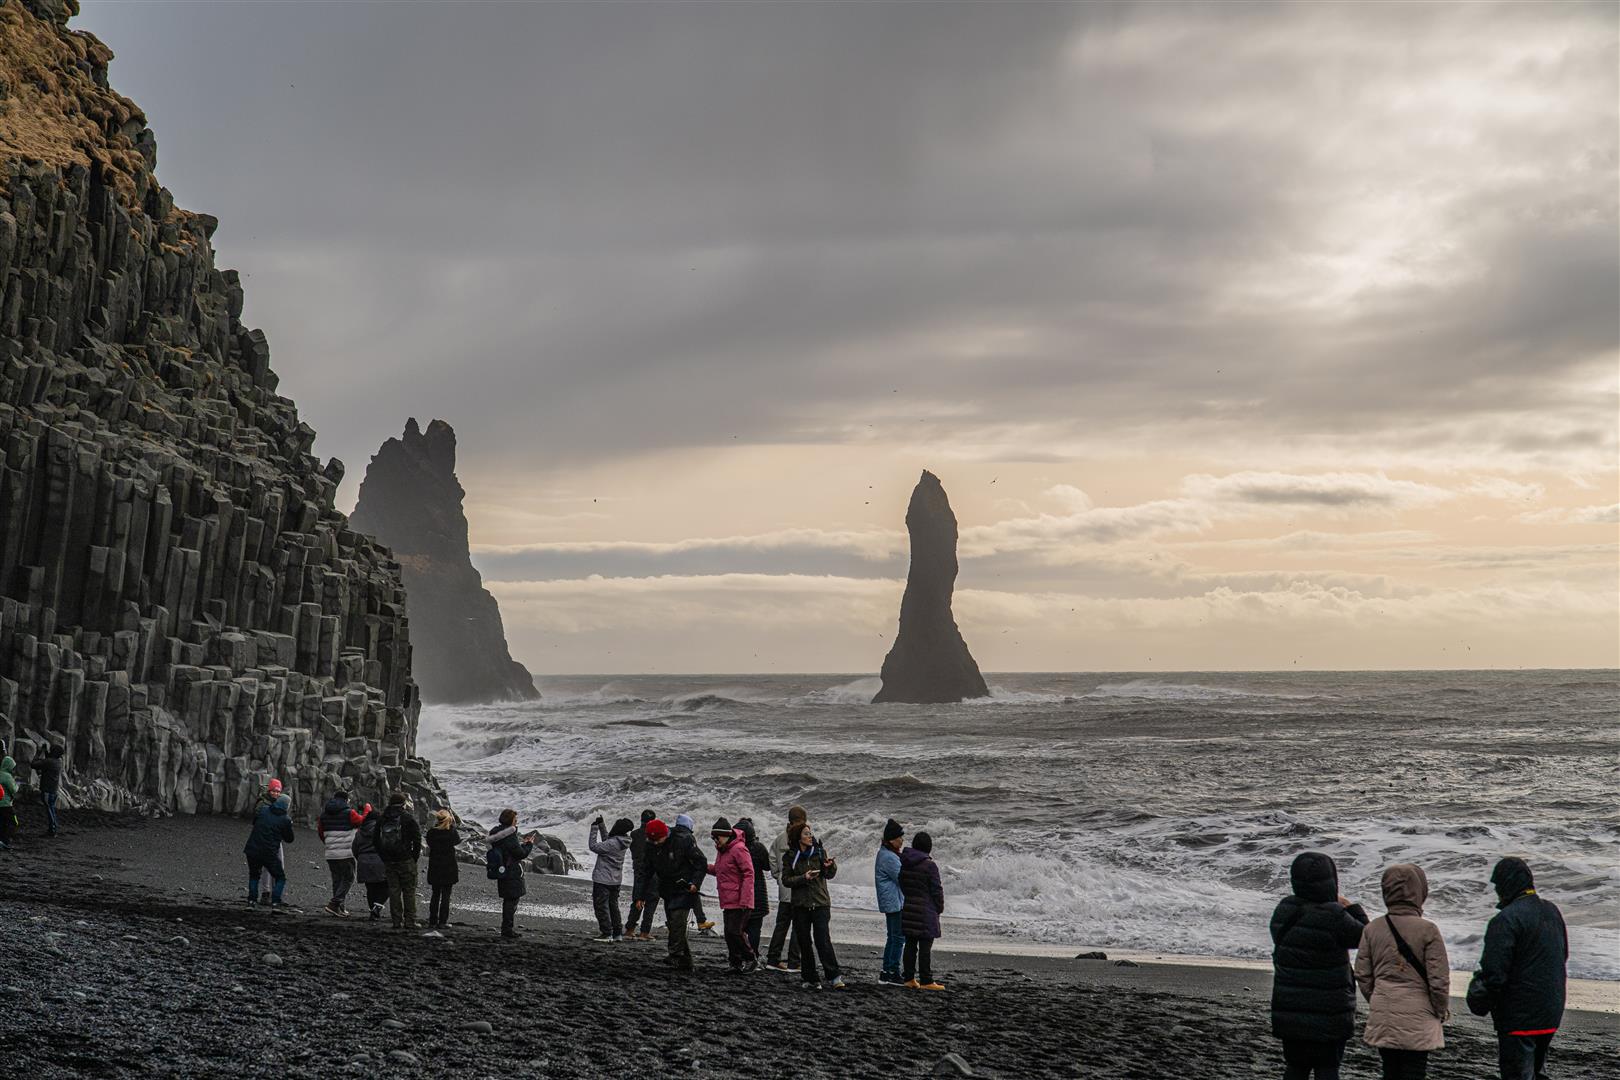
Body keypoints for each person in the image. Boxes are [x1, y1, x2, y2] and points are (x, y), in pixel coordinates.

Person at [1270, 852, 1370, 1080]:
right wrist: (1350, 906)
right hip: (1329, 1012)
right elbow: (1366, 937)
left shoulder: (1284, 909)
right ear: (1331, 880)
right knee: (1327, 1068)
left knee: (1296, 1067)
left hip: (1290, 1010)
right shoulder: (1334, 915)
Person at [1466, 857, 1568, 1080]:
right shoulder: (1552, 911)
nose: (1496, 892)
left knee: (1517, 1073)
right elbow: (1563, 956)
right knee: (1537, 1071)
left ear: (1506, 885)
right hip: (1551, 1011)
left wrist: (1477, 999)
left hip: (1519, 1017)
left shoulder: (1505, 920)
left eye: (1498, 886)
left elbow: (1494, 974)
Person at [1354, 864, 1451, 1080]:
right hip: (1419, 1013)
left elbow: (1362, 974)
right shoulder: (1428, 930)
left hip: (1384, 1009)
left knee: (1390, 1069)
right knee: (1415, 1071)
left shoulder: (1372, 928)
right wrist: (1440, 1009)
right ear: (1420, 891)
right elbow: (1439, 980)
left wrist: (1378, 999)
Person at [781, 821, 843, 990]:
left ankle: (834, 977)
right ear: (797, 838)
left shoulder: (819, 852)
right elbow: (786, 880)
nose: (810, 836)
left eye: (810, 833)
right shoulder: (789, 856)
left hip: (821, 902)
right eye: (806, 834)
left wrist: (831, 866)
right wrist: (803, 877)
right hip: (800, 904)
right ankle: (811, 979)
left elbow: (829, 875)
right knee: (804, 941)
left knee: (823, 940)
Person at [649, 816, 706, 972]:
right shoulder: (654, 843)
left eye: (657, 840)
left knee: (677, 922)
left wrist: (695, 883)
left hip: (684, 888)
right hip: (668, 889)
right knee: (675, 925)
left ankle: (675, 954)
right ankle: (686, 963)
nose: (655, 844)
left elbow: (701, 862)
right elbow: (647, 868)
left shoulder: (683, 840)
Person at [708, 817, 757, 973]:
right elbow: (719, 870)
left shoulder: (739, 849)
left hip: (740, 900)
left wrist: (745, 899)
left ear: (727, 835)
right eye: (714, 838)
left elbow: (749, 873)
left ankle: (751, 959)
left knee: (735, 932)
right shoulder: (722, 851)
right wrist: (703, 866)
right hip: (727, 899)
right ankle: (735, 964)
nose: (716, 841)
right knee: (729, 933)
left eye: (718, 838)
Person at [898, 829, 945, 990]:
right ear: (928, 848)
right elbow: (937, 890)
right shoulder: (930, 866)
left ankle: (909, 978)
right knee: (925, 946)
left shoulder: (905, 862)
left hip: (909, 906)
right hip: (926, 910)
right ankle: (926, 980)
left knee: (910, 945)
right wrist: (939, 908)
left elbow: (902, 883)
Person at [765, 805, 807, 972]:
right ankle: (793, 962)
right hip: (799, 888)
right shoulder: (802, 838)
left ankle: (773, 959)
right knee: (799, 926)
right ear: (801, 820)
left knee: (781, 924)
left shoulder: (780, 838)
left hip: (784, 887)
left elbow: (772, 858)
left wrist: (778, 876)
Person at [487, 808, 537, 939]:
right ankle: (507, 929)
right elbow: (520, 853)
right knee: (512, 900)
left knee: (508, 900)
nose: (517, 822)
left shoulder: (496, 833)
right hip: (511, 871)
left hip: (501, 868)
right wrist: (529, 844)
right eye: (515, 820)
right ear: (510, 821)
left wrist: (520, 844)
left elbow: (508, 848)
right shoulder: (510, 835)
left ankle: (507, 928)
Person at [377, 792, 423, 930]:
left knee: (394, 890)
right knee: (409, 891)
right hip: (405, 859)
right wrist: (413, 857)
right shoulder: (407, 818)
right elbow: (417, 839)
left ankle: (396, 921)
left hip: (389, 860)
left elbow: (375, 840)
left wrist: (383, 856)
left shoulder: (383, 818)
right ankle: (410, 921)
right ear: (403, 804)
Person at [317, 789, 364, 917]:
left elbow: (321, 832)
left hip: (330, 853)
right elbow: (361, 822)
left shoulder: (324, 814)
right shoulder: (350, 813)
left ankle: (339, 908)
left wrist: (330, 844)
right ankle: (335, 903)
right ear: (346, 800)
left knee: (337, 880)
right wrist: (367, 811)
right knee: (349, 878)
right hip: (346, 852)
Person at [243, 793, 294, 908]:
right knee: (280, 877)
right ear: (286, 806)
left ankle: (251, 901)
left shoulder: (264, 810)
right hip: (269, 852)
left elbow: (255, 822)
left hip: (252, 849)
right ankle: (275, 902)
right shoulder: (285, 819)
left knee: (254, 875)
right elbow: (289, 839)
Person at [588, 815, 634, 941]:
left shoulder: (612, 843)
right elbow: (606, 841)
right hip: (616, 879)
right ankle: (617, 933)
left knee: (601, 907)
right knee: (613, 907)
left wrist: (594, 828)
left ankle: (606, 933)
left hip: (603, 879)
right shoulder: (622, 841)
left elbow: (594, 846)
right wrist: (602, 825)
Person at [673, 813, 718, 935]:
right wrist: (696, 879)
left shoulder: (671, 835)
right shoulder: (687, 837)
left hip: (672, 874)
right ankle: (700, 921)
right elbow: (699, 859)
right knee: (693, 893)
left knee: (689, 896)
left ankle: (700, 920)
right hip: (686, 874)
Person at [874, 818, 906, 985]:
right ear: (892, 839)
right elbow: (902, 878)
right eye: (900, 837)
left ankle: (887, 971)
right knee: (898, 937)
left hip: (891, 901)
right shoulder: (889, 857)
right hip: (894, 902)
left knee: (893, 937)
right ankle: (892, 971)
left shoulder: (886, 853)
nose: (902, 840)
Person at [735, 816, 771, 958]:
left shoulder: (735, 847)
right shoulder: (758, 847)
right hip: (758, 893)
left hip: (740, 892)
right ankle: (753, 954)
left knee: (740, 927)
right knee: (755, 928)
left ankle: (741, 954)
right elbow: (767, 866)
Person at [625, 809, 661, 942]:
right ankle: (644, 932)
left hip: (638, 869)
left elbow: (633, 850)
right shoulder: (656, 835)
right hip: (653, 870)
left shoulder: (634, 834)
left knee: (637, 899)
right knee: (651, 900)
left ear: (641, 819)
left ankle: (630, 929)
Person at [425, 808, 461, 931]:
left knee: (435, 895)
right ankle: (442, 921)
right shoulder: (451, 832)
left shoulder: (431, 832)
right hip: (448, 867)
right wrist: (452, 825)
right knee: (446, 896)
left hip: (435, 866)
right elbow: (458, 840)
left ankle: (432, 920)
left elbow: (429, 842)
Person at [353, 802, 389, 921]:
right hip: (380, 861)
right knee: (386, 885)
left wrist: (361, 858)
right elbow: (386, 845)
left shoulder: (360, 831)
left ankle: (373, 910)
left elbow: (355, 848)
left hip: (364, 861)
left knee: (370, 888)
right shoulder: (381, 830)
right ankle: (376, 908)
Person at [252, 779, 286, 905]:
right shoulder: (262, 804)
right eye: (274, 791)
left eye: (278, 791)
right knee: (267, 867)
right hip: (265, 839)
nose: (276, 793)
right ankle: (266, 894)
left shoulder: (278, 804)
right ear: (269, 790)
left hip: (276, 839)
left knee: (279, 865)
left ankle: (276, 894)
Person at [29, 744, 63, 836]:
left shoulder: (49, 762)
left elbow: (33, 764)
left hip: (47, 790)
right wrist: (46, 752)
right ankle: (53, 828)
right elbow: (49, 760)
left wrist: (39, 752)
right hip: (54, 790)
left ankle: (53, 830)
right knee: (51, 809)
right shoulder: (58, 761)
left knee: (49, 810)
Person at [0, 755, 16, 851]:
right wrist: (16, 785)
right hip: (6, 804)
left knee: (1, 823)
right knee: (13, 822)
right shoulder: (7, 776)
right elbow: (14, 790)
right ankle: (5, 842)